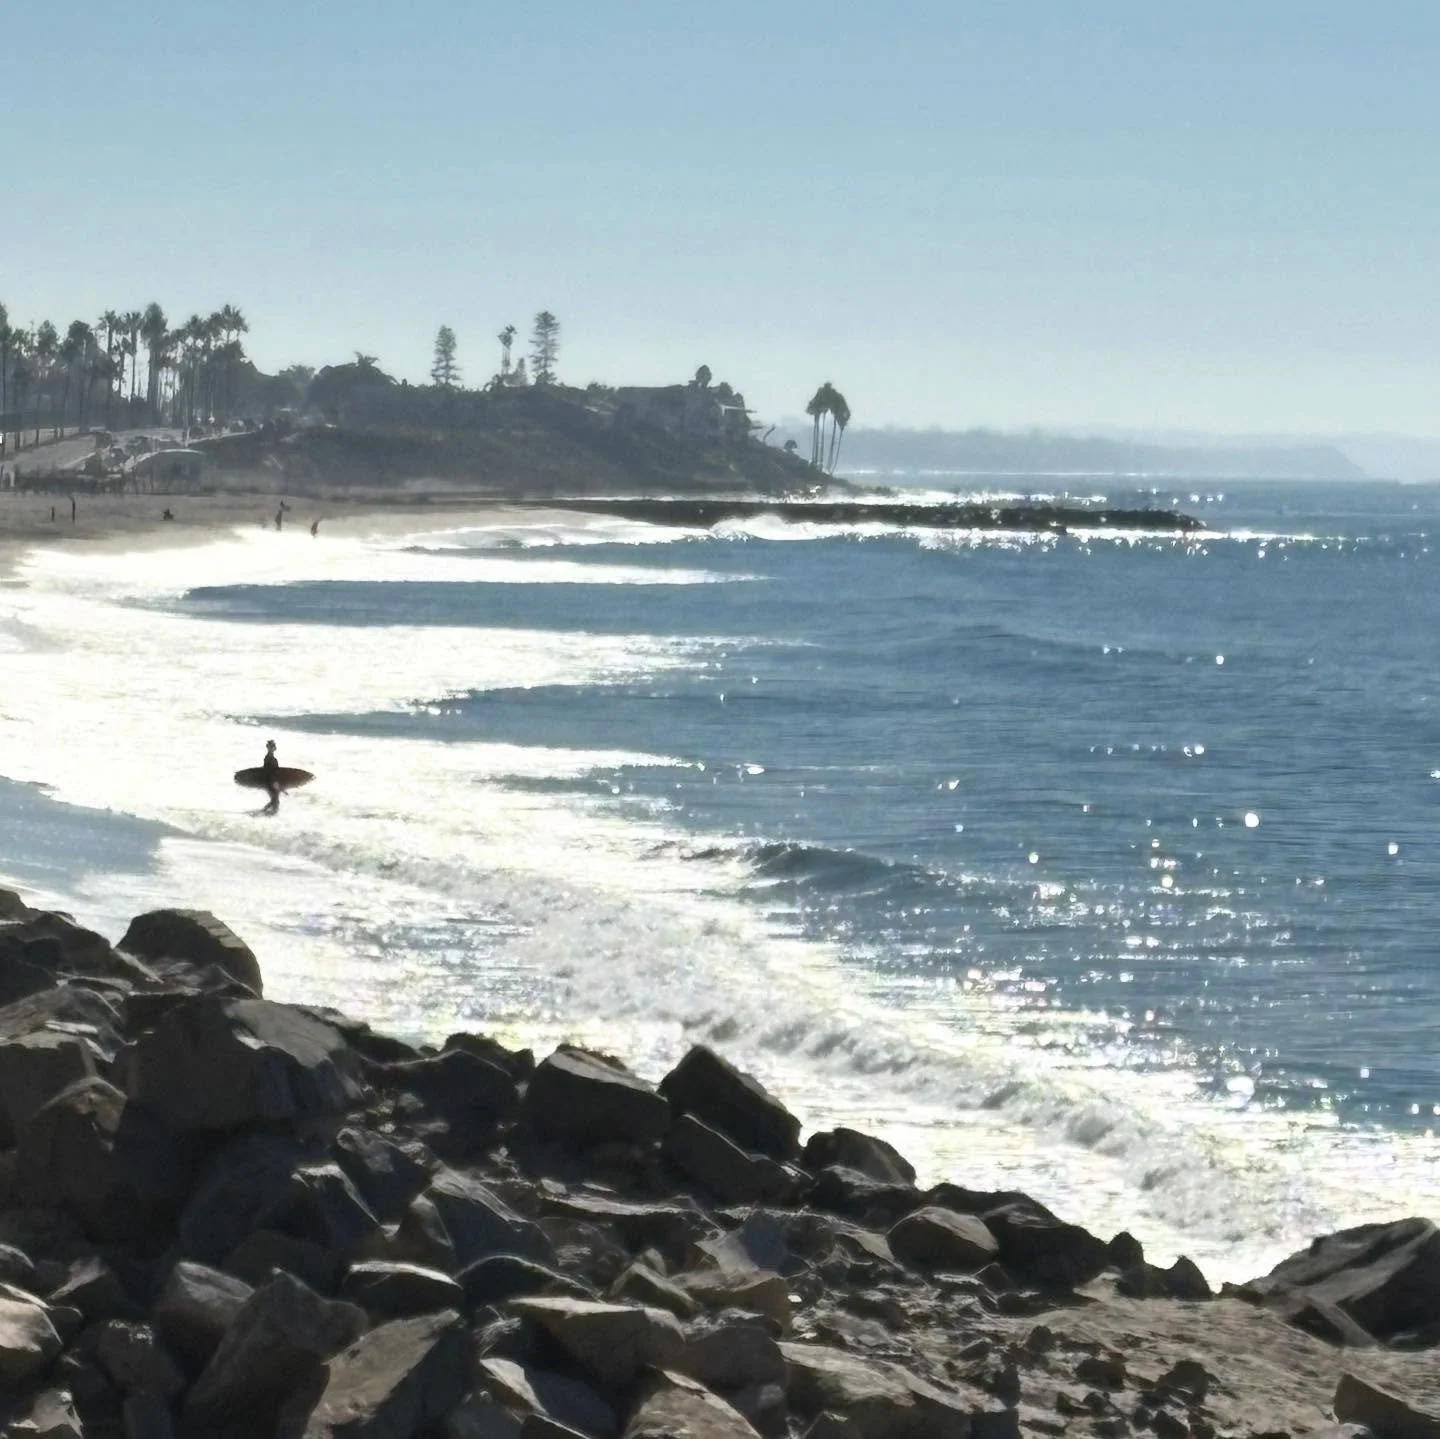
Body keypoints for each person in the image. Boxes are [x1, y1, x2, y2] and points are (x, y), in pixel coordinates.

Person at [262, 739, 281, 813]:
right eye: (271, 746)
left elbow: (277, 772)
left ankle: (266, 813)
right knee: (275, 801)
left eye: (273, 746)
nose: (273, 748)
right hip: (270, 782)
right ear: (268, 747)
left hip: (274, 782)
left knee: (275, 801)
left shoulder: (273, 759)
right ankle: (264, 812)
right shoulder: (268, 758)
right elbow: (267, 771)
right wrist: (273, 783)